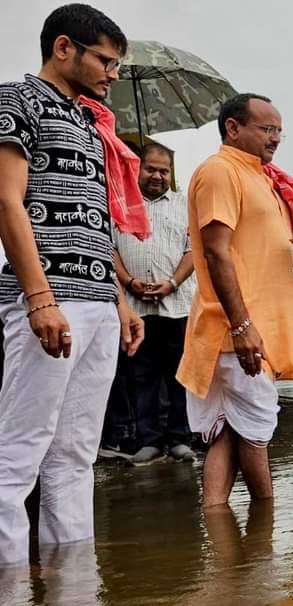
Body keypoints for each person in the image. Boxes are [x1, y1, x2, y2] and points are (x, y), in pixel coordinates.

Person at [0, 3, 144, 566]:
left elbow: (94, 218)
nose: (112, 73)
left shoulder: (89, 123)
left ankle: (73, 588)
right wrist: (39, 299)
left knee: (76, 455)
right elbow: (7, 200)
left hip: (97, 304)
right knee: (18, 453)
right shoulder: (16, 98)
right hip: (47, 299)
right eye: (105, 61)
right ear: (65, 48)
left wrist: (119, 299)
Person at [177, 93, 293, 508]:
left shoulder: (262, 177)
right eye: (266, 128)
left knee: (229, 434)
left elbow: (258, 247)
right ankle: (264, 537)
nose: (275, 138)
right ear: (233, 128)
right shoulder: (221, 171)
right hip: (236, 329)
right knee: (257, 436)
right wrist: (241, 325)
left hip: (250, 327)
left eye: (278, 131)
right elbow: (217, 250)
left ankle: (220, 537)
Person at [102, 142, 197, 464]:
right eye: (151, 169)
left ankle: (180, 439)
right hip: (134, 306)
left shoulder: (185, 205)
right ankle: (150, 441)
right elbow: (110, 248)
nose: (157, 175)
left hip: (178, 303)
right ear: (137, 169)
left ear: (171, 174)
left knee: (178, 374)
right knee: (141, 375)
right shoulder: (119, 205)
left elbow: (192, 250)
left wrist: (171, 283)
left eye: (164, 170)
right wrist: (129, 281)